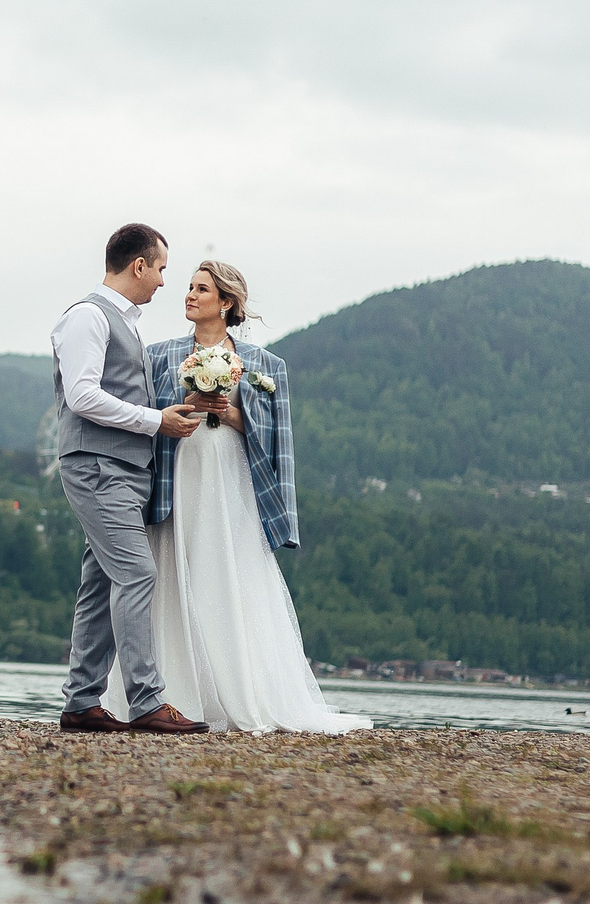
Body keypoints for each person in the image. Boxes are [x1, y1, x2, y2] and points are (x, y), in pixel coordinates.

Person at [103, 259, 368, 734]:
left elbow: (276, 438)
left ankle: (236, 693)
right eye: (187, 287)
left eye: (201, 289)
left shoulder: (266, 366)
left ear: (225, 303)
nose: (188, 295)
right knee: (169, 574)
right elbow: (145, 416)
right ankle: (162, 696)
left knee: (228, 569)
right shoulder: (159, 355)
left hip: (229, 477)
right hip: (176, 474)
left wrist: (230, 415)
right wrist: (185, 406)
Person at [50, 224, 208, 736]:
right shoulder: (87, 318)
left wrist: (164, 416)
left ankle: (80, 703)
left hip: (121, 469)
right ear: (138, 265)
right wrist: (155, 420)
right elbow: (82, 396)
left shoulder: (120, 321)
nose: (164, 281)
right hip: (97, 466)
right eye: (161, 269)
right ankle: (146, 701)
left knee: (101, 582)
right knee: (137, 574)